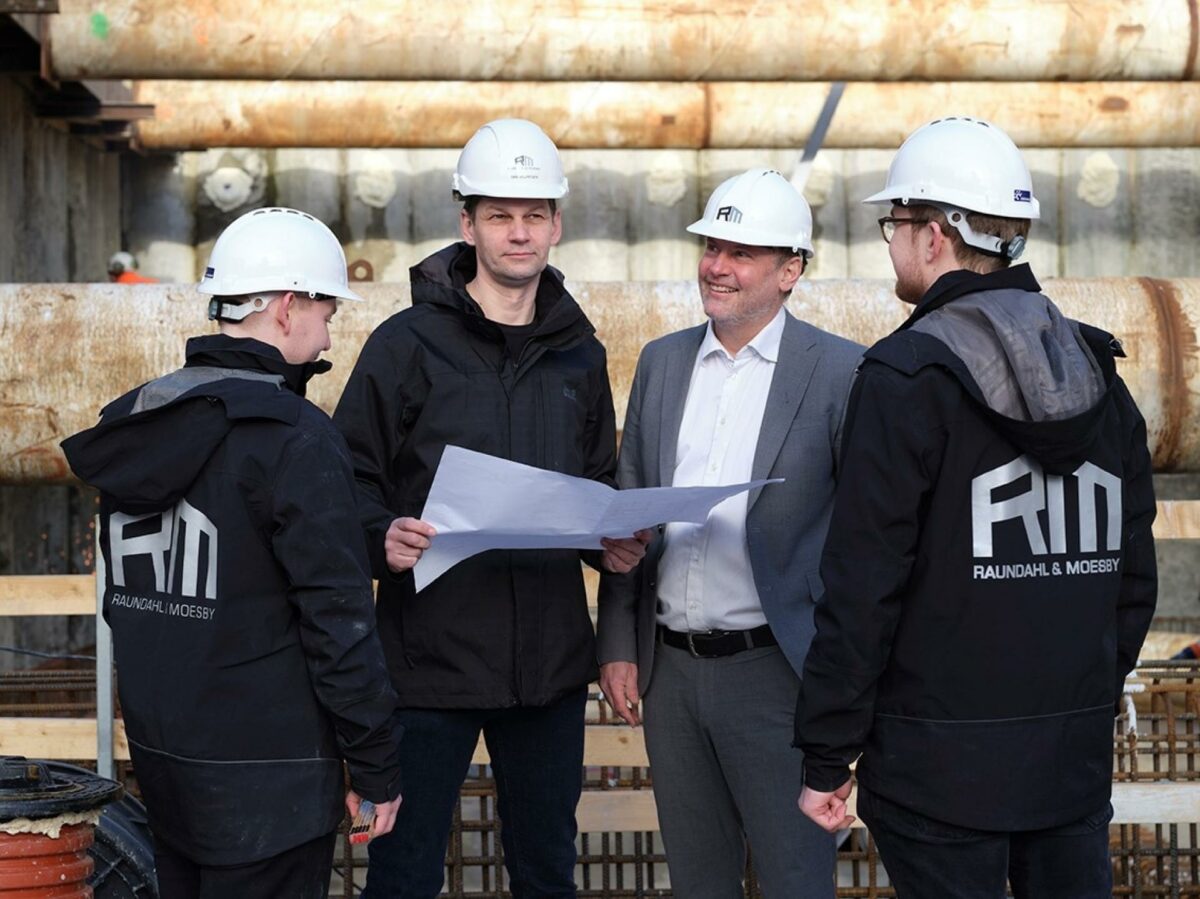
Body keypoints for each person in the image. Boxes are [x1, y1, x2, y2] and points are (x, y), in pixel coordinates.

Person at [794, 117, 1158, 897]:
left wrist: (828, 752)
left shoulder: (906, 378)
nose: (891, 243)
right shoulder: (1099, 371)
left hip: (937, 773)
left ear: (934, 237)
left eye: (895, 224)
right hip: (1069, 765)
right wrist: (1078, 702)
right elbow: (1133, 579)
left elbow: (862, 587)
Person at [333, 118, 647, 899]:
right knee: (404, 873)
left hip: (545, 668)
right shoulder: (405, 345)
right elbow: (346, 480)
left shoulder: (581, 351)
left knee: (547, 868)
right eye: (500, 216)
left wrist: (608, 543)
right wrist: (383, 535)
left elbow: (593, 484)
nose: (519, 232)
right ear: (466, 223)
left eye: (534, 214)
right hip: (427, 664)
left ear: (558, 224)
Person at [62, 207, 404, 899]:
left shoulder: (136, 421)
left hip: (168, 773)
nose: (329, 327)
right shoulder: (295, 440)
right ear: (285, 307)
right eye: (326, 308)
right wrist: (375, 768)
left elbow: (125, 604)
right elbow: (338, 624)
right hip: (273, 785)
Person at [596, 168, 861, 898]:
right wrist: (618, 644)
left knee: (792, 879)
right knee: (698, 881)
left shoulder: (840, 372)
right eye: (712, 246)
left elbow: (864, 541)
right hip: (671, 674)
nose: (717, 266)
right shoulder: (662, 361)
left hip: (776, 673)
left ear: (790, 271)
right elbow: (631, 507)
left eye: (740, 253)